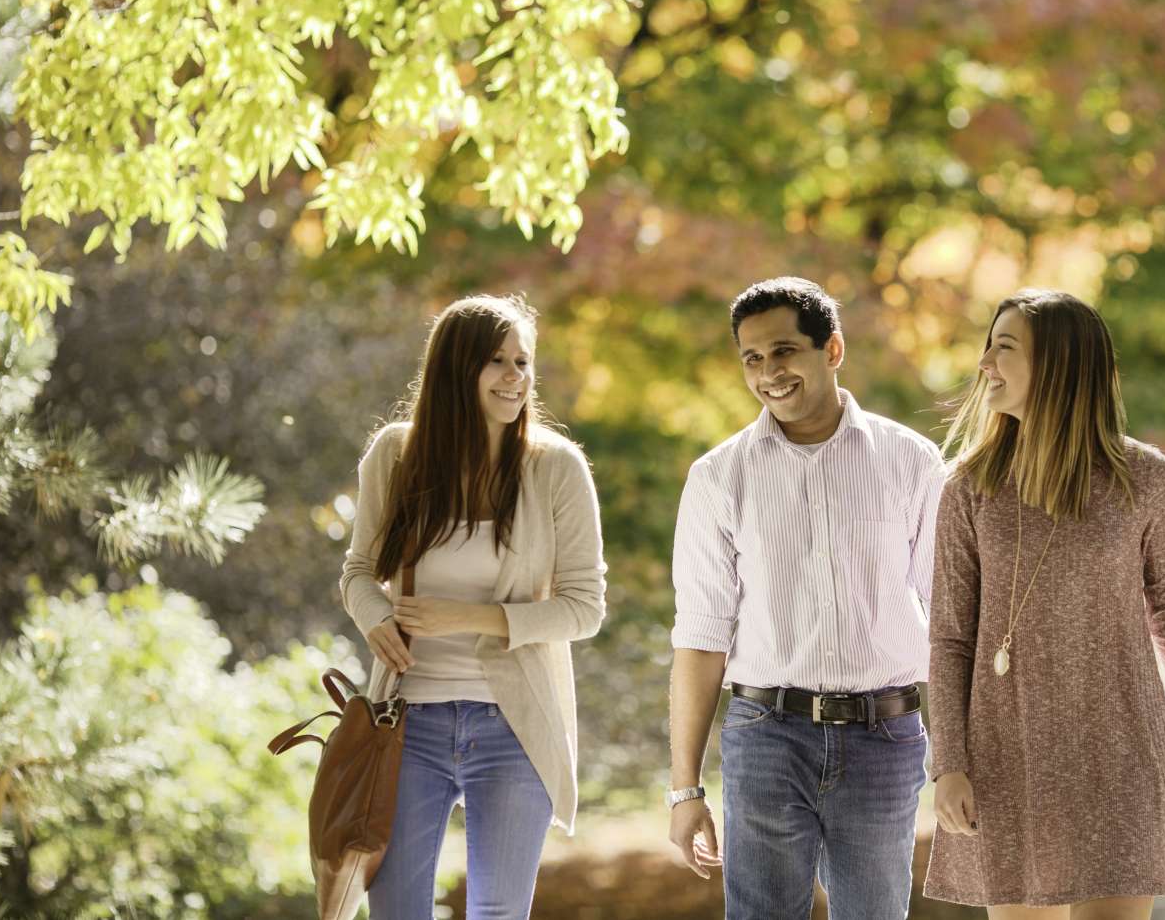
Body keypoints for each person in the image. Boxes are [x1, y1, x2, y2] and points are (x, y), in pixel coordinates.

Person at [924, 288, 1165, 920]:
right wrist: (947, 763)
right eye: (988, 346)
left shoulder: (1147, 478)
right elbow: (949, 637)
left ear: (1058, 364)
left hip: (1124, 755)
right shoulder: (969, 489)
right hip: (1009, 756)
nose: (984, 365)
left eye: (1003, 349)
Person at [665, 276, 944, 920]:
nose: (770, 373)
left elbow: (949, 618)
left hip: (886, 735)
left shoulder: (911, 461)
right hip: (766, 734)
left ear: (833, 350)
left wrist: (960, 754)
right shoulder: (718, 477)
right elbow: (701, 636)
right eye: (753, 359)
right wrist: (684, 790)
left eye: (785, 351)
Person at [338, 294, 607, 920]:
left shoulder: (556, 469)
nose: (517, 377)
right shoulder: (395, 456)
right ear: (455, 369)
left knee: (497, 912)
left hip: (514, 726)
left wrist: (469, 617)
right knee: (398, 910)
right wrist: (375, 618)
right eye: (497, 362)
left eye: (523, 362)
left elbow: (584, 608)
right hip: (405, 725)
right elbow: (357, 573)